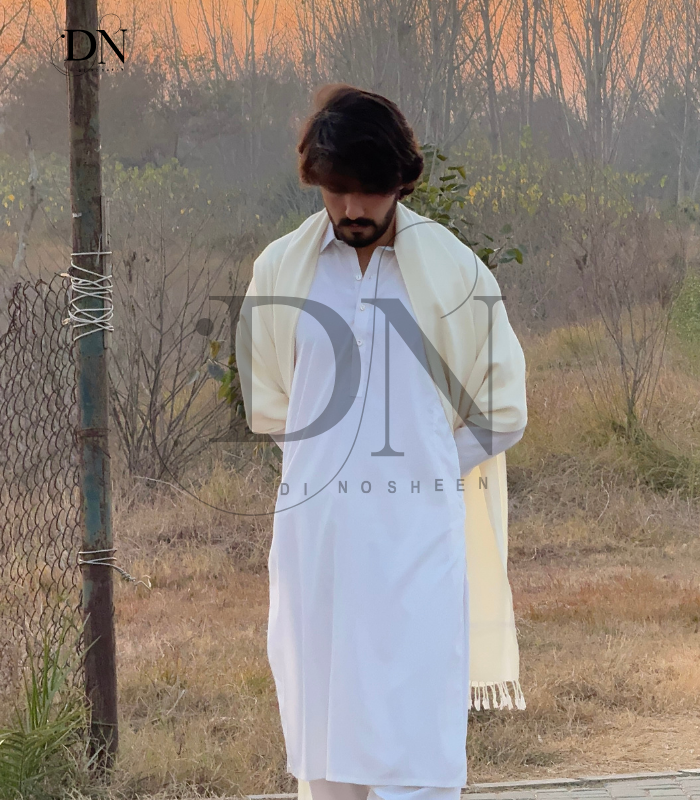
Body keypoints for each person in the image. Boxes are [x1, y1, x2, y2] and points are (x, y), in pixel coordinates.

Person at [235, 83, 528, 800]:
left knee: (416, 743)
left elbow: (503, 411)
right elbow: (274, 406)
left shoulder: (456, 273)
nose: (351, 209)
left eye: (368, 190)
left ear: (401, 182)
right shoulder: (282, 271)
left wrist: (426, 473)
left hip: (416, 547)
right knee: (324, 731)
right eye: (336, 191)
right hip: (317, 545)